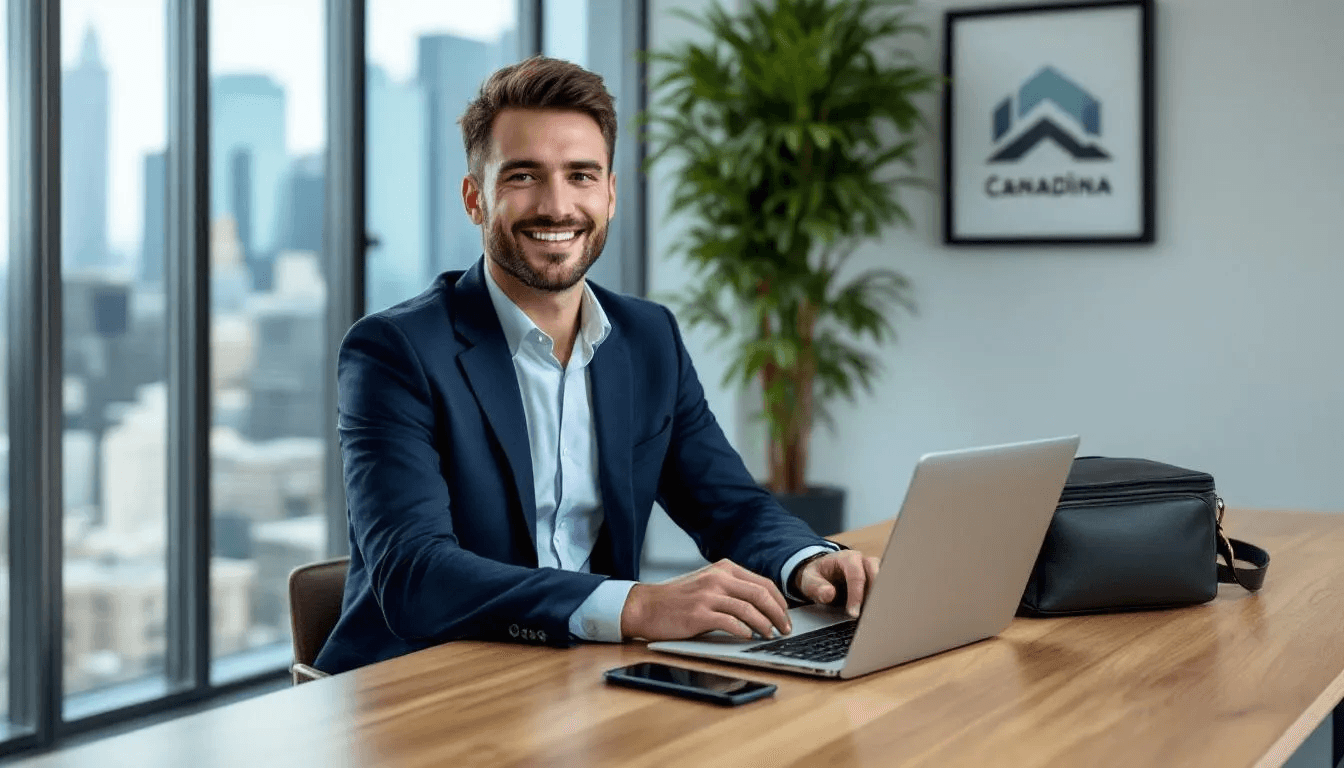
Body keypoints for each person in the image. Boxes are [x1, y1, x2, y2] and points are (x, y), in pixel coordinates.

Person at [314, 56, 879, 675]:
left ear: (609, 195)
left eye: (581, 175)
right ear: (476, 197)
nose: (557, 206)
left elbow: (731, 505)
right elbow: (414, 575)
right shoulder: (394, 351)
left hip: (581, 676)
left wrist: (809, 561)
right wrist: (634, 607)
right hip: (422, 682)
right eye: (523, 176)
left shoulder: (647, 337)